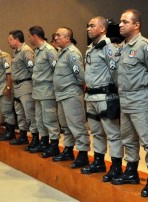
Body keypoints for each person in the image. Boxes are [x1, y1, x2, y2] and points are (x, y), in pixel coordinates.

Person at [110, 9, 148, 197]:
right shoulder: (122, 47)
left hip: (141, 100)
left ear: (136, 25)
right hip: (125, 100)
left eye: (125, 22)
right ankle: (131, 172)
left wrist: (144, 89)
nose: (120, 25)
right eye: (120, 22)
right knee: (128, 139)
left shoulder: (146, 46)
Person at [83, 16, 123, 182]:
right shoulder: (90, 49)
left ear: (102, 29)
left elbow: (116, 72)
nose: (88, 28)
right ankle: (99, 161)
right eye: (88, 26)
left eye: (92, 26)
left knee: (112, 133)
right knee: (97, 132)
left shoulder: (109, 48)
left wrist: (115, 94)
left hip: (105, 96)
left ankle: (116, 166)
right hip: (91, 96)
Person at [52, 27, 90, 168]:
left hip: (71, 95)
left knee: (77, 125)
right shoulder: (62, 53)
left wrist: (77, 88)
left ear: (67, 38)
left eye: (58, 35)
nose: (55, 38)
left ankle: (83, 154)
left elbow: (80, 76)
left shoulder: (72, 53)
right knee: (65, 126)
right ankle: (68, 150)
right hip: (61, 95)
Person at [27, 26, 60, 158]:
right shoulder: (38, 51)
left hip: (47, 90)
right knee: (39, 119)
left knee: (50, 119)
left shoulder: (49, 50)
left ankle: (54, 145)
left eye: (29, 36)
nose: (29, 39)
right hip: (38, 90)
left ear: (35, 36)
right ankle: (44, 142)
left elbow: (56, 70)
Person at [8, 30, 38, 146]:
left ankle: (35, 138)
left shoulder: (26, 51)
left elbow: (32, 69)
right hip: (17, 87)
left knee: (29, 113)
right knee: (20, 113)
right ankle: (23, 136)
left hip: (26, 85)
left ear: (17, 39)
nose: (8, 42)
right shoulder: (16, 52)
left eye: (10, 39)